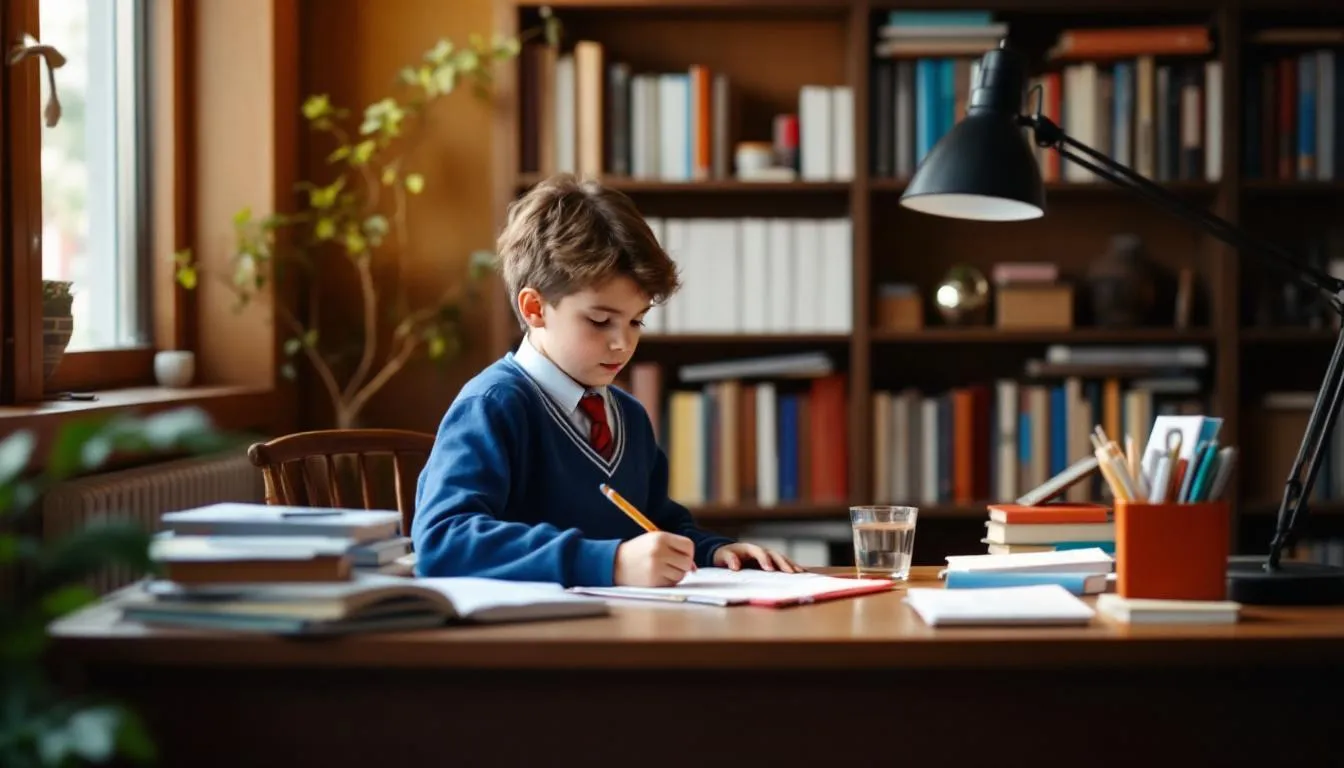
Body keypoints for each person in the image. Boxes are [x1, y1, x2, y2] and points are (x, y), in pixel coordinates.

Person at [412, 174, 801, 588]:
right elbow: (442, 540)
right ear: (534, 308)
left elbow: (656, 525)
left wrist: (712, 551)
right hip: (526, 627)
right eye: (600, 321)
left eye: (636, 321)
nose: (622, 343)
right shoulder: (493, 405)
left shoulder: (628, 415)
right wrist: (610, 562)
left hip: (622, 621)